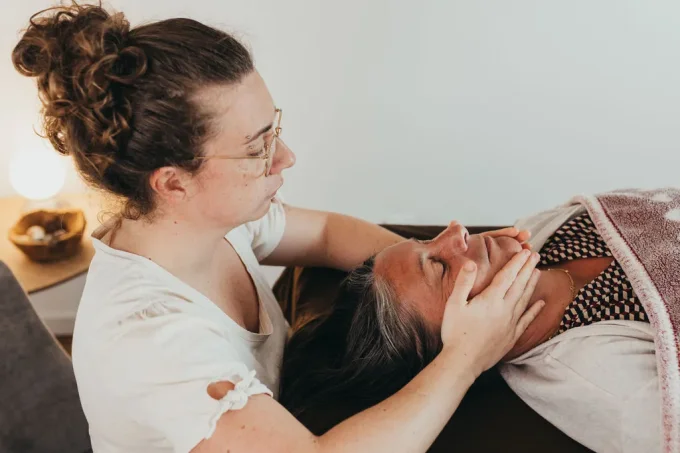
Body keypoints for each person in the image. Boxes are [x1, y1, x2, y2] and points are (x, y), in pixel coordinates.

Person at [12, 3, 545, 452]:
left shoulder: (212, 222)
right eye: (257, 148)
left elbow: (327, 234)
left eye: (275, 129)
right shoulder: (151, 344)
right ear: (173, 183)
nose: (285, 157)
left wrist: (448, 271)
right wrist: (466, 356)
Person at [281, 200, 662, 453]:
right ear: (457, 338)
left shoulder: (546, 230)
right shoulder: (613, 382)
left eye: (428, 243)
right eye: (440, 266)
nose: (456, 232)